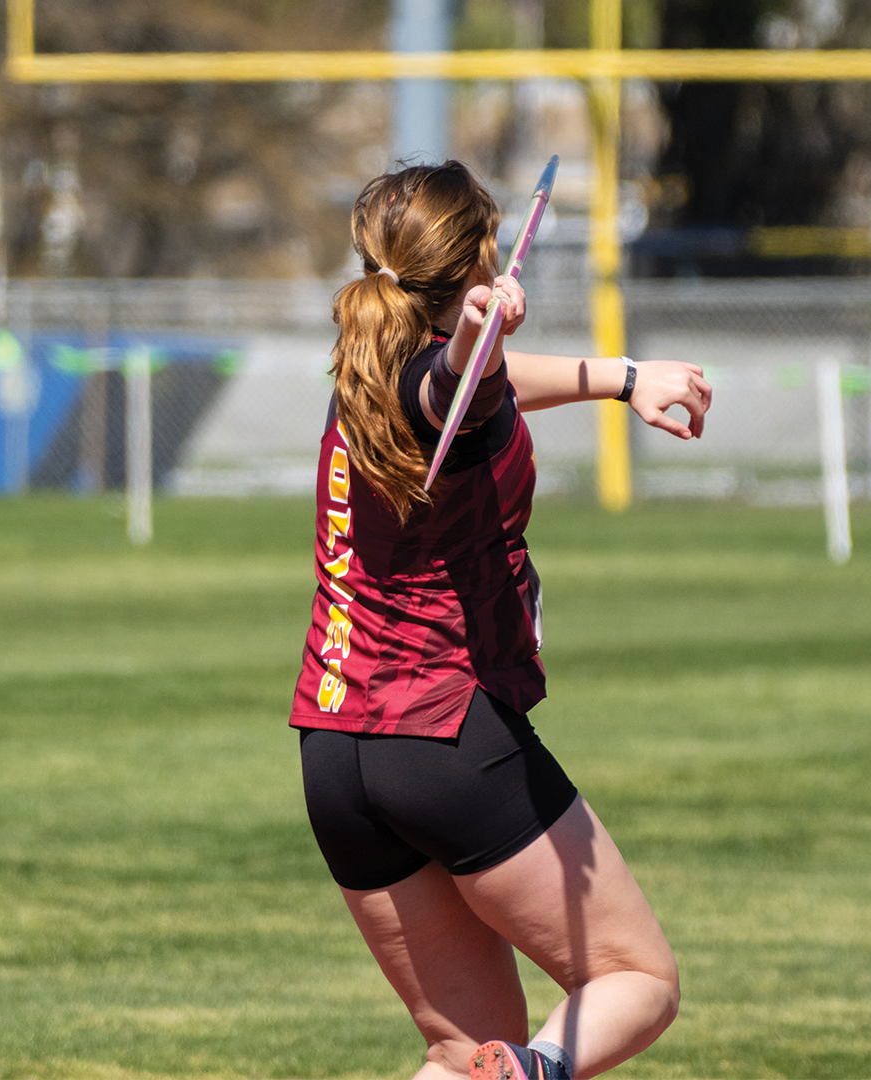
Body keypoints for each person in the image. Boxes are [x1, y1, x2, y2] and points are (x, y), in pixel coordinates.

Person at [289, 161, 712, 1080]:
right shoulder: (441, 386)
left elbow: (469, 380)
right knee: (636, 979)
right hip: (443, 740)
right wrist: (470, 345)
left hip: (334, 747)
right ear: (477, 265)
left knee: (458, 1051)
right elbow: (454, 390)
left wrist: (622, 376)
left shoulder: (363, 373)